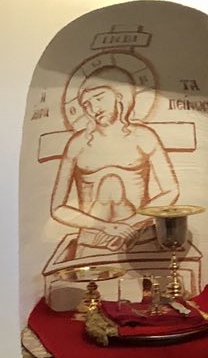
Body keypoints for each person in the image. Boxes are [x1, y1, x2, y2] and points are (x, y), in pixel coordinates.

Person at [50, 68, 180, 258]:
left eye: (99, 98)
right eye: (86, 104)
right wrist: (105, 226)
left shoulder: (144, 137)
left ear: (119, 96)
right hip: (92, 239)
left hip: (140, 236)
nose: (94, 109)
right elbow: (57, 208)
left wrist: (132, 223)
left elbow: (171, 190)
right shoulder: (77, 144)